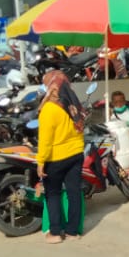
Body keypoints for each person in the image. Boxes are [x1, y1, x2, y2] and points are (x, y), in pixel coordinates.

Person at [36, 70, 87, 244]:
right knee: (74, 192)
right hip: (76, 154)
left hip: (55, 158)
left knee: (53, 194)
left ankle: (56, 233)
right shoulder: (74, 104)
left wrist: (40, 161)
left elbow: (45, 140)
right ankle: (73, 231)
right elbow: (81, 129)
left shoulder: (49, 109)